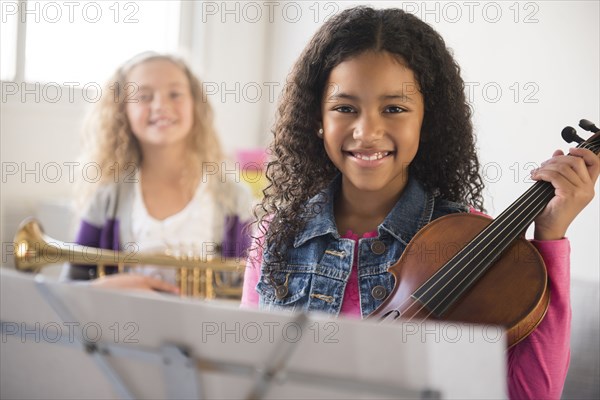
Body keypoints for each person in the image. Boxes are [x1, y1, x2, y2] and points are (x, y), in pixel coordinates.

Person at [240, 6, 599, 399]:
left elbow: (532, 394)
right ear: (317, 118)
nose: (367, 131)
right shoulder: (277, 232)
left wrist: (551, 236)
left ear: (427, 120)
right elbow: (246, 372)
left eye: (394, 108)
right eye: (345, 108)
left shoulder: (469, 240)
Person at [63, 52, 254, 294]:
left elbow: (250, 294)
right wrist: (106, 288)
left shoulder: (233, 197)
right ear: (122, 110)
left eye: (175, 94)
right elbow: (68, 288)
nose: (161, 106)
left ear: (195, 104)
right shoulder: (107, 197)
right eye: (143, 96)